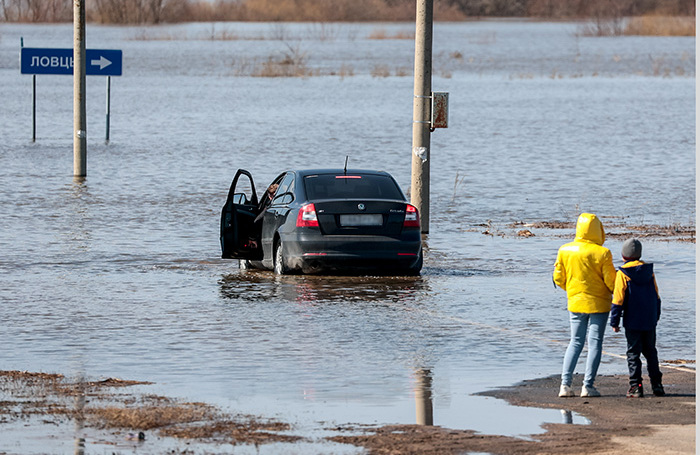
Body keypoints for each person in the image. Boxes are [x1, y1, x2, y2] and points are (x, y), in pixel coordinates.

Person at [553, 213, 616, 398]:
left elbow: (558, 278)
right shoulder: (603, 253)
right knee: (595, 343)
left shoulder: (564, 250)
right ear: (598, 230)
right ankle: (587, 386)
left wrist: (572, 290)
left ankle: (565, 385)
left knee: (575, 342)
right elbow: (611, 283)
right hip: (599, 304)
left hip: (575, 302)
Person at [610, 238, 664, 398]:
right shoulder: (649, 271)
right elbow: (657, 296)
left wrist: (614, 321)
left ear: (623, 256)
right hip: (649, 318)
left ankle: (636, 386)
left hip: (632, 320)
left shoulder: (622, 274)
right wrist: (656, 316)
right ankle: (657, 385)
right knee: (651, 352)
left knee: (633, 353)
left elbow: (617, 300)